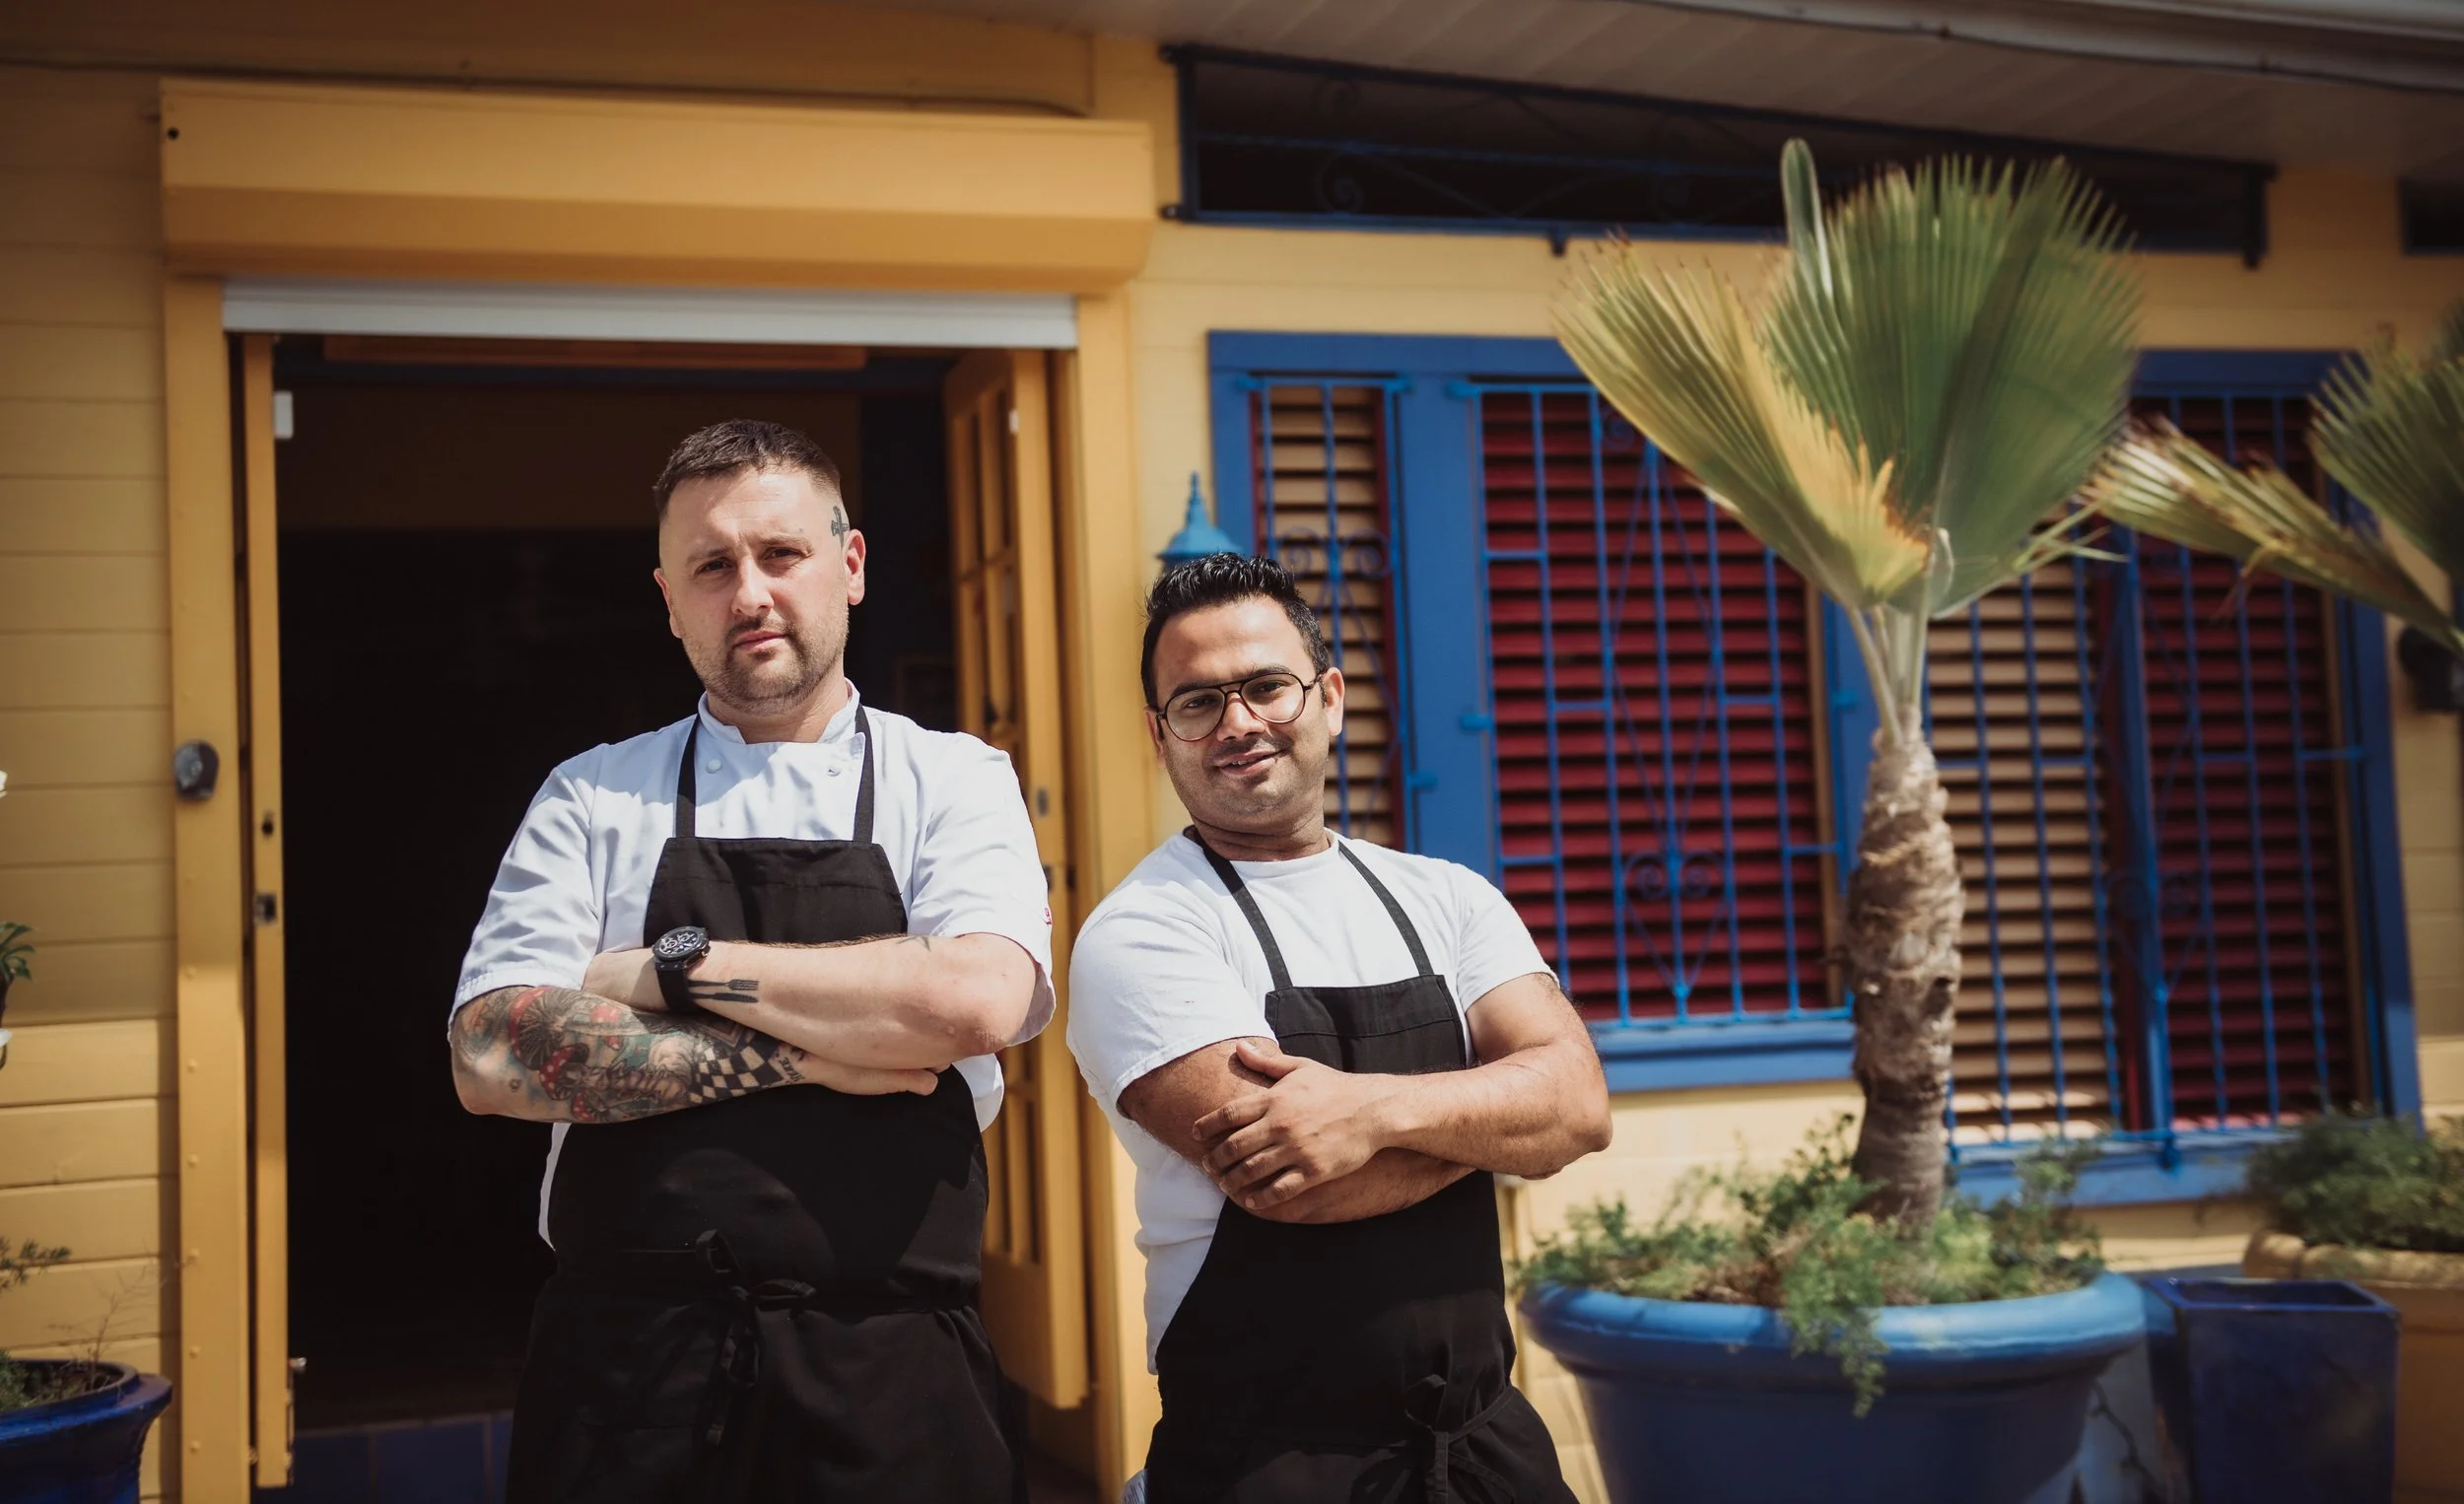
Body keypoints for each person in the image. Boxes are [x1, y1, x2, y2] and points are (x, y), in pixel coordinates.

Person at [446, 419, 1053, 1504]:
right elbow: (495, 1052)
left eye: (781, 554)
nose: (750, 592)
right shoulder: (591, 796)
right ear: (669, 597)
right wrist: (820, 1054)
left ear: (850, 564)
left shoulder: (953, 779)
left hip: (894, 1371)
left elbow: (970, 999)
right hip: (628, 1383)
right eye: (712, 566)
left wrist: (662, 968)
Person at [1068, 554, 1614, 1503]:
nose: (1238, 723)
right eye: (1197, 702)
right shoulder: (1144, 930)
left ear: (1327, 697)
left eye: (1265, 687)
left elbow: (1577, 1107)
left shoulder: (1445, 896)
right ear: (1161, 737)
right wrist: (1496, 1124)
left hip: (1484, 1447)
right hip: (1270, 1460)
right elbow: (1295, 1184)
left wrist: (1365, 1112)